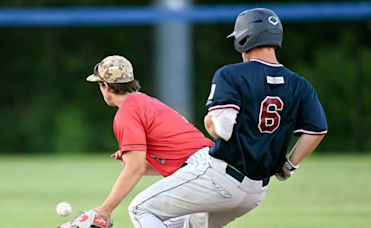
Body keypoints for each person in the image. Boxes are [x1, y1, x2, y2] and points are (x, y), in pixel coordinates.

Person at [123, 7, 328, 228]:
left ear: (244, 38)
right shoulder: (299, 85)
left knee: (141, 208)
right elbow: (317, 131)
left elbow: (222, 128)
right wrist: (289, 165)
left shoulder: (232, 74)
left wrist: (208, 121)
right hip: (255, 192)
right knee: (187, 225)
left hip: (220, 178)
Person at [58, 55, 214, 228]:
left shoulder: (127, 112)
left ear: (106, 86)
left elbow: (135, 168)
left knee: (139, 209)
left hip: (200, 170)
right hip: (211, 168)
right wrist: (132, 161)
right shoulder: (145, 101)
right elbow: (163, 162)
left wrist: (104, 211)